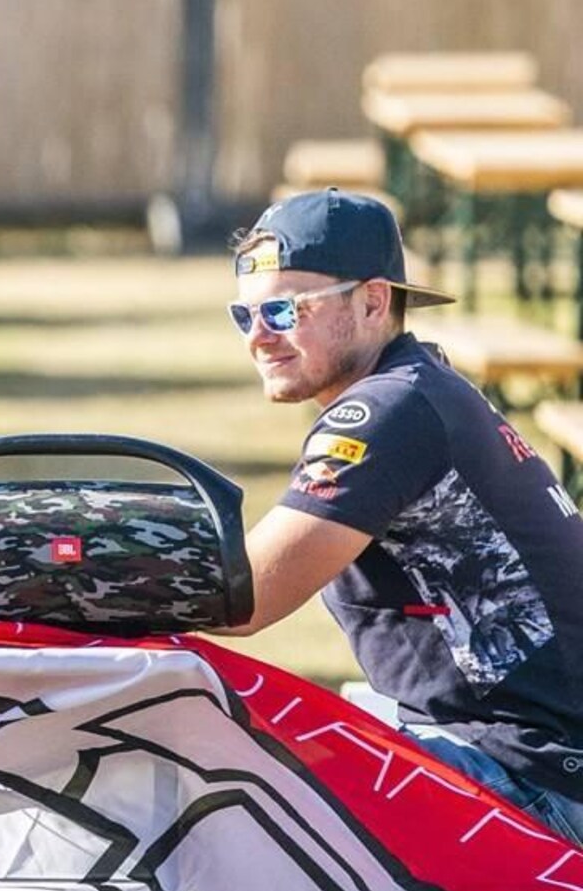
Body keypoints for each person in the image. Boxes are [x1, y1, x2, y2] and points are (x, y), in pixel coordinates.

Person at [222, 186, 583, 843]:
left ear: (373, 300)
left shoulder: (386, 413)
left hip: (535, 784)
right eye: (243, 317)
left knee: (222, 785)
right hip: (525, 757)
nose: (260, 338)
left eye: (283, 310)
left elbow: (239, 598)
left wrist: (60, 584)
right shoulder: (419, 387)